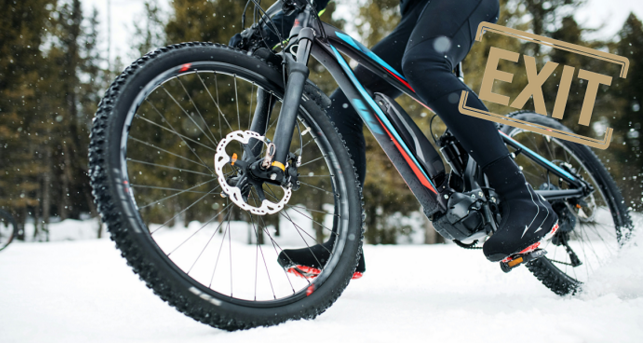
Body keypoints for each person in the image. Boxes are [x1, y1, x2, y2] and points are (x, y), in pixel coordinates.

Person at [230, 0, 558, 279]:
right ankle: (346, 243)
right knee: (344, 106)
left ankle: (521, 199)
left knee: (423, 64)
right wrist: (271, 25)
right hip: (418, 9)